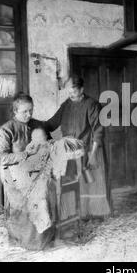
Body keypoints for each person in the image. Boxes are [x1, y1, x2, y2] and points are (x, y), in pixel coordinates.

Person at [0, 93, 56, 250]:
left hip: (37, 174)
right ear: (15, 111)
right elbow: (2, 158)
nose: (29, 114)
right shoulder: (6, 130)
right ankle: (25, 241)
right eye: (24, 112)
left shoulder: (38, 125)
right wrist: (25, 154)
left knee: (46, 194)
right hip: (15, 177)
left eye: (31, 110)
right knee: (24, 203)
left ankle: (45, 239)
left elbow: (49, 143)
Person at [45, 75, 111, 218]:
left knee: (90, 182)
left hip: (90, 149)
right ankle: (75, 213)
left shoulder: (92, 104)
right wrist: (33, 124)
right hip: (70, 151)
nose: (71, 95)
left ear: (82, 89)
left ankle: (93, 213)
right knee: (72, 182)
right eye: (68, 92)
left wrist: (92, 156)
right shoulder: (66, 105)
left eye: (74, 91)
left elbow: (98, 131)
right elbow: (51, 123)